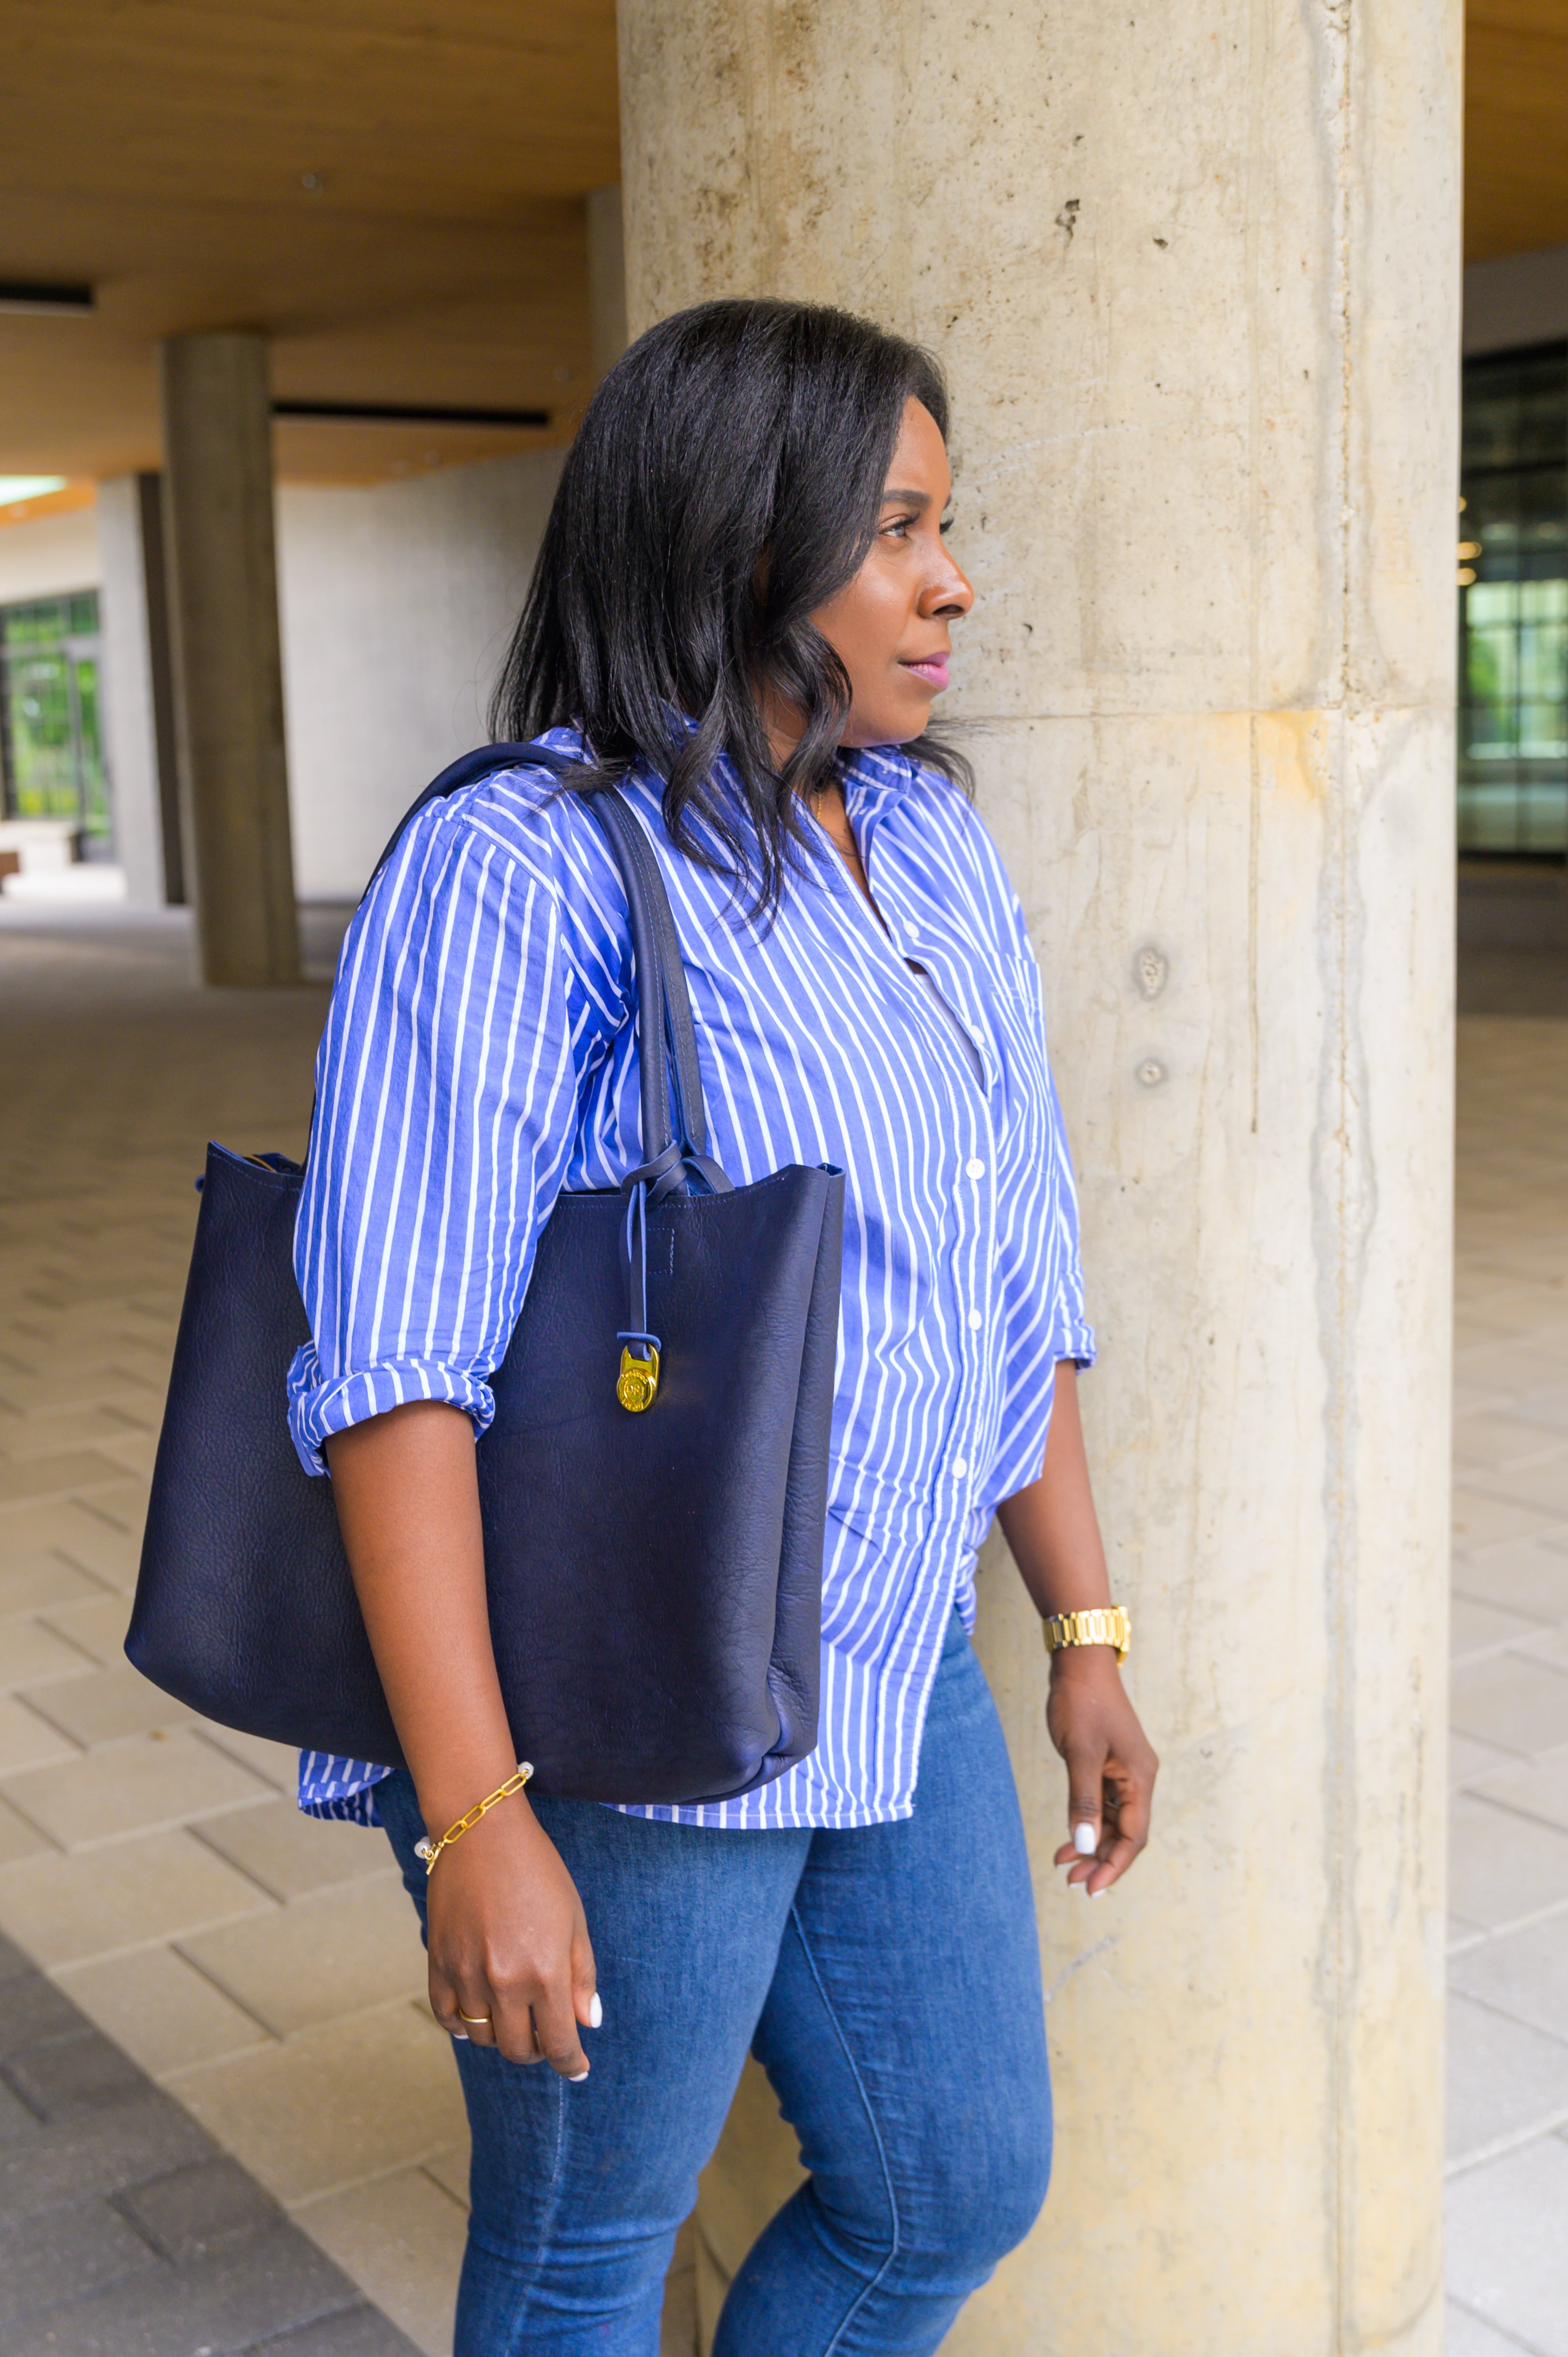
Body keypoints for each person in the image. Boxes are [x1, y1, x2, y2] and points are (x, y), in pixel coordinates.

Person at [286, 299, 1158, 2357]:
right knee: (590, 2249)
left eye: (945, 525)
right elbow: (392, 1372)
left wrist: (1084, 1633)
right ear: (732, 540)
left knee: (950, 2179)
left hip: (896, 1647)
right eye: (892, 529)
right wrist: (478, 1817)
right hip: (625, 1698)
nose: (947, 579)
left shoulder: (928, 836)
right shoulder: (521, 863)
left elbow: (1003, 1264)